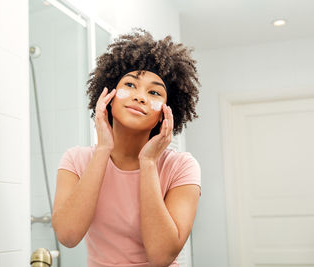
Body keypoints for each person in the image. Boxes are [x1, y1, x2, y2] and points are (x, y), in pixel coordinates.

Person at [52, 28, 202, 267]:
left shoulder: (181, 167)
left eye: (154, 92)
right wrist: (102, 150)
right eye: (130, 85)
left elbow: (162, 256)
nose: (140, 97)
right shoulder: (75, 160)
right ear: (109, 97)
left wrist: (149, 162)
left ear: (166, 112)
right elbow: (68, 236)